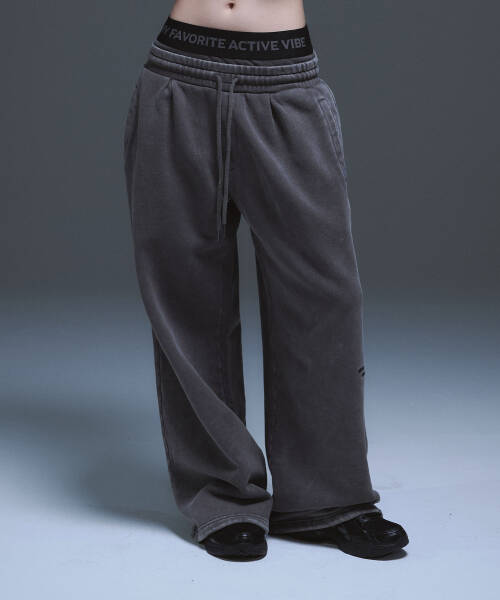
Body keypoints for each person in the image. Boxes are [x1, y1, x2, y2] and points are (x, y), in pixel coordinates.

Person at [123, 0, 409, 561]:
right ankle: (222, 495)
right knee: (185, 296)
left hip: (283, 77)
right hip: (178, 74)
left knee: (323, 293)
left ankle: (328, 498)